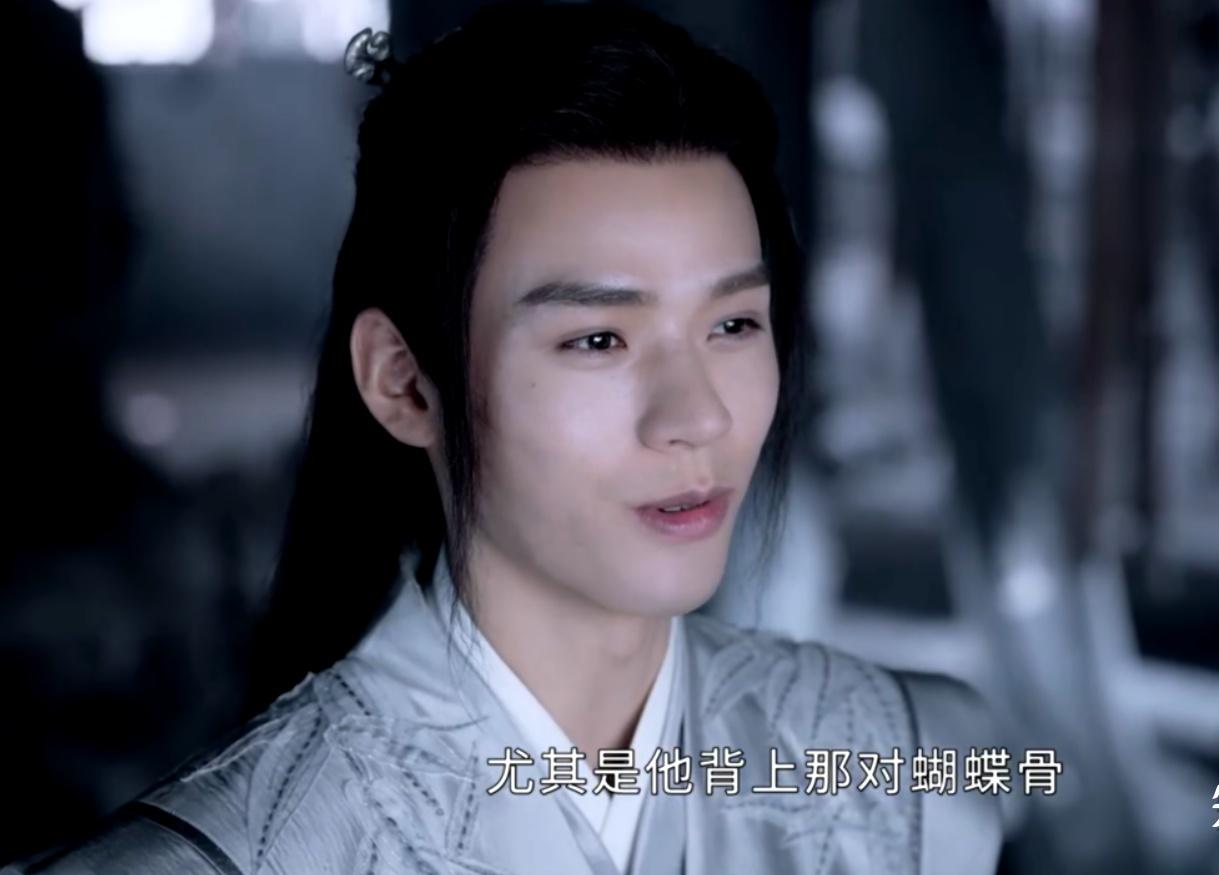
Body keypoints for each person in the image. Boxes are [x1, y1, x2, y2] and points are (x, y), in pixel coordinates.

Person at [3, 3, 1002, 873]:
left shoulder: (916, 774)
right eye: (598, 338)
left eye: (733, 324)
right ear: (403, 383)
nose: (697, 415)